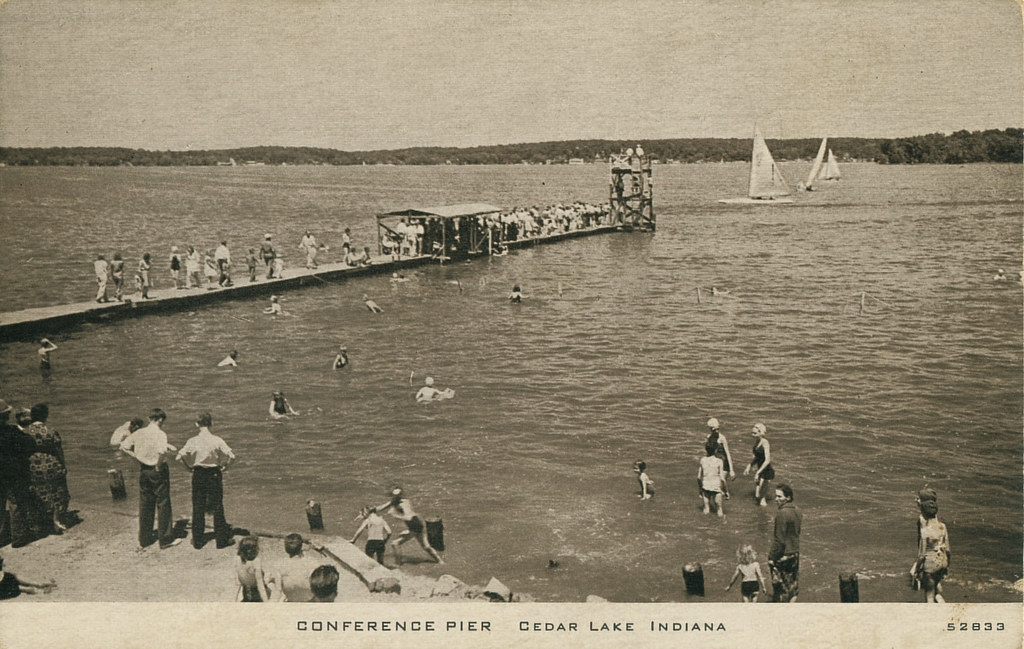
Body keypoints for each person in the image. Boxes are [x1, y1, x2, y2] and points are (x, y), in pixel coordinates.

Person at [119, 408, 180, 549]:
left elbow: (124, 446)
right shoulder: (161, 434)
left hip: (144, 470)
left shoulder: (139, 432)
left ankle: (144, 539)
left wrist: (138, 457)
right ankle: (165, 539)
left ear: (149, 418)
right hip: (158, 470)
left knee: (145, 503)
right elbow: (162, 452)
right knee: (163, 503)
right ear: (160, 420)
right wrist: (158, 465)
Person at [176, 412, 235, 550]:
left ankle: (197, 540)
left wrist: (188, 468)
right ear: (211, 423)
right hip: (214, 473)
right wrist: (226, 467)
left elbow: (178, 458)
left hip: (198, 473)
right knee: (217, 506)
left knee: (198, 506)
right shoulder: (217, 439)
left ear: (197, 424)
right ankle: (221, 541)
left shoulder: (192, 440)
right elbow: (232, 456)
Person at [0, 400, 43, 548]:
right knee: (16, 502)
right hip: (11, 472)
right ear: (6, 415)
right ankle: (18, 537)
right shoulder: (11, 431)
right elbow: (30, 444)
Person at [26, 404, 70, 535]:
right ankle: (56, 521)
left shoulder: (25, 431)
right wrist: (63, 465)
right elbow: (58, 449)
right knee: (56, 491)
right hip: (51, 462)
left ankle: (40, 523)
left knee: (38, 491)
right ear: (45, 415)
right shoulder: (50, 430)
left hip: (33, 463)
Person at [375, 488, 443, 564]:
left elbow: (409, 517)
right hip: (416, 526)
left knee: (395, 544)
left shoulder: (404, 504)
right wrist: (369, 511)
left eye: (397, 496)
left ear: (400, 496)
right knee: (426, 547)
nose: (394, 498)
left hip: (416, 526)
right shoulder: (394, 502)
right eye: (393, 496)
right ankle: (440, 561)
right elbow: (381, 508)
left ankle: (398, 564)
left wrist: (395, 515)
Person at [913, 488, 950, 603]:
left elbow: (922, 553)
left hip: (930, 562)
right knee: (936, 588)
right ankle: (942, 604)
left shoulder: (923, 524)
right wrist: (947, 565)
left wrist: (917, 569)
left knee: (929, 594)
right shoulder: (942, 525)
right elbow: (948, 549)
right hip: (942, 560)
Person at [768, 483, 802, 603]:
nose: (776, 499)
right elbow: (797, 532)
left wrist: (771, 557)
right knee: (793, 588)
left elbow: (779, 541)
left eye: (779, 497)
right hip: (795, 553)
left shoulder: (782, 514)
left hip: (783, 556)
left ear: (788, 498)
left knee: (780, 590)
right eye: (776, 496)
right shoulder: (798, 510)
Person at [277, 533, 318, 602]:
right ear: (301, 546)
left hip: (291, 599)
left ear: (285, 548)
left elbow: (278, 588)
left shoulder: (281, 564)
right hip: (308, 599)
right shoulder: (312, 562)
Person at [743, 422, 774, 506]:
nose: (753, 434)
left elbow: (767, 460)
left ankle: (766, 517)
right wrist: (749, 466)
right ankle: (760, 514)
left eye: (755, 432)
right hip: (760, 471)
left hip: (767, 471)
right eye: (752, 432)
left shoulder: (765, 442)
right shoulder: (756, 443)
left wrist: (757, 473)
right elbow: (757, 458)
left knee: (761, 499)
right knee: (757, 496)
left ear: (761, 433)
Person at [234, 536, 272, 602]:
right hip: (256, 594)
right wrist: (266, 602)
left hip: (245, 592)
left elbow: (238, 582)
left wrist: (235, 600)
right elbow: (260, 585)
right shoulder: (256, 562)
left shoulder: (237, 560)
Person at [704, 418, 735, 499]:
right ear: (710, 429)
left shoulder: (722, 438)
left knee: (721, 482)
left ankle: (726, 494)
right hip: (714, 462)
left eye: (718, 429)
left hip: (724, 462)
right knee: (714, 485)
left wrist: (731, 470)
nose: (717, 431)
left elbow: (728, 454)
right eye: (714, 430)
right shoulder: (709, 437)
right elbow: (708, 452)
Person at [698, 441, 726, 517]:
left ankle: (705, 526)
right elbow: (722, 479)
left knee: (706, 509)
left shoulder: (703, 460)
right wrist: (726, 491)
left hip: (706, 486)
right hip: (715, 487)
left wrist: (700, 490)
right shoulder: (719, 461)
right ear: (716, 450)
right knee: (719, 510)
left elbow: (698, 477)